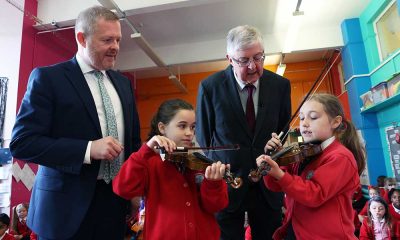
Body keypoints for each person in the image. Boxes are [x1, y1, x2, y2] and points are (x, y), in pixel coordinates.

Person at [10, 5, 141, 240]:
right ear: (82, 38)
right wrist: (89, 149)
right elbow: (22, 143)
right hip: (63, 210)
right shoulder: (48, 79)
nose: (116, 47)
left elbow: (133, 143)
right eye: (107, 40)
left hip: (114, 205)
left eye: (118, 40)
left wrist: (135, 189)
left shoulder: (123, 85)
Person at [196, 25, 291, 239]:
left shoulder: (281, 85)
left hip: (267, 185)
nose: (252, 66)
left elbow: (284, 132)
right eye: (243, 60)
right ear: (229, 59)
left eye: (258, 57)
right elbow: (204, 140)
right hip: (228, 184)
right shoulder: (210, 87)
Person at [113, 99, 229, 240]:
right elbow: (123, 188)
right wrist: (145, 151)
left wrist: (213, 183)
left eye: (192, 127)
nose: (189, 133)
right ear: (162, 128)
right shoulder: (148, 161)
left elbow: (216, 206)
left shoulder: (198, 162)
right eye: (182, 126)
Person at [258, 93, 366, 239]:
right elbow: (276, 186)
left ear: (335, 122)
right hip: (296, 229)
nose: (304, 123)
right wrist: (273, 161)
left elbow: (314, 194)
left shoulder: (340, 157)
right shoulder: (301, 151)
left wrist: (280, 175)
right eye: (301, 117)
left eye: (313, 117)